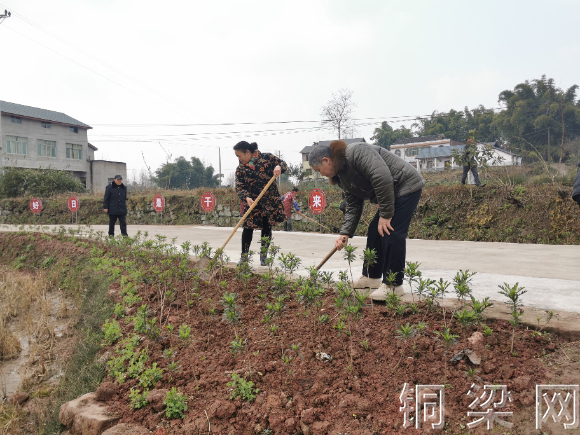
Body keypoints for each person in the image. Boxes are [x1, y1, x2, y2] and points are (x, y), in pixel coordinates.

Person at [308, 140, 424, 301]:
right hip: (392, 192)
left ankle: (393, 285)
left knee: (391, 231)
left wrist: (386, 214)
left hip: (405, 185)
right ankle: (372, 277)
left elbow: (381, 177)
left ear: (326, 160)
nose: (321, 174)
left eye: (318, 170)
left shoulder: (356, 152)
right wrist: (345, 233)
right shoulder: (341, 176)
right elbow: (353, 205)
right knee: (374, 231)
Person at [234, 141, 286, 266]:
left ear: (247, 152)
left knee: (267, 227)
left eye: (239, 155)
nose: (239, 159)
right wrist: (246, 198)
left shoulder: (267, 158)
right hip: (252, 203)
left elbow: (282, 164)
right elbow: (239, 187)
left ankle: (264, 256)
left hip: (269, 201)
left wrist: (279, 167)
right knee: (247, 228)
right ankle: (244, 257)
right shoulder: (241, 168)